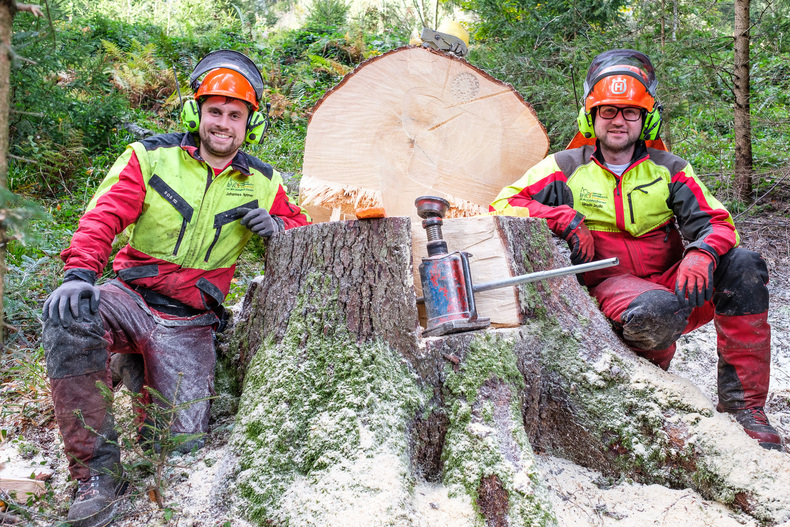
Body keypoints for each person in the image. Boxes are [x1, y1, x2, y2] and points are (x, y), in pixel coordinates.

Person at [42, 49, 311, 526]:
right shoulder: (151, 157)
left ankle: (136, 367)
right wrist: (79, 273)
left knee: (179, 447)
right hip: (130, 296)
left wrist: (279, 231)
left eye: (234, 114)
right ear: (196, 112)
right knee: (72, 314)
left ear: (251, 123)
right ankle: (96, 475)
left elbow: (306, 234)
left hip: (190, 320)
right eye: (214, 111)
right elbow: (104, 216)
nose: (222, 123)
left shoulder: (266, 183)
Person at [490, 49, 782, 452]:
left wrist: (701, 253)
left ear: (646, 119)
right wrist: (562, 218)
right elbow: (502, 204)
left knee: (745, 266)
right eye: (608, 111)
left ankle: (744, 407)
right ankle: (650, 381)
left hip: (675, 281)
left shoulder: (669, 168)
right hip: (608, 284)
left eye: (629, 112)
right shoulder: (564, 166)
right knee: (656, 312)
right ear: (590, 117)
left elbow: (718, 221)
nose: (618, 121)